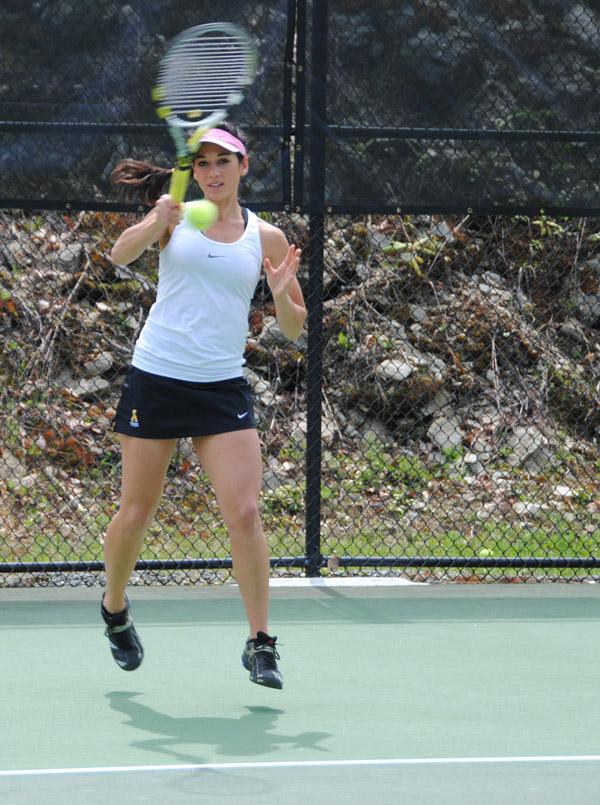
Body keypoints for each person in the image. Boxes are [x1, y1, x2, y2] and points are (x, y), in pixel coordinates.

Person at [102, 124, 306, 689]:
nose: (213, 172)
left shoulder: (266, 236)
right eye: (204, 163)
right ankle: (114, 608)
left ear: (244, 167)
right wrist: (155, 220)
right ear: (194, 172)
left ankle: (260, 643)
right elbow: (118, 257)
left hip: (220, 388)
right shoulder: (179, 218)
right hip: (157, 379)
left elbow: (293, 329)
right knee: (136, 512)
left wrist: (283, 287)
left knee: (244, 513)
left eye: (225, 161)